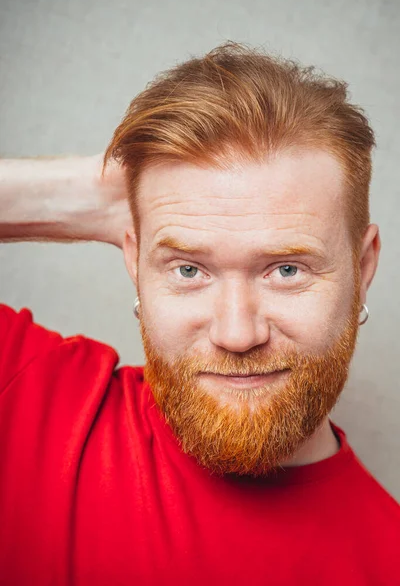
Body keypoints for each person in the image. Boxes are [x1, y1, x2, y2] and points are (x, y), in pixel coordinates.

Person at [0, 43, 399, 586]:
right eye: (188, 269)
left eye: (286, 270)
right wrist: (93, 198)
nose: (237, 334)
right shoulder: (27, 399)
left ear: (363, 266)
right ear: (135, 263)